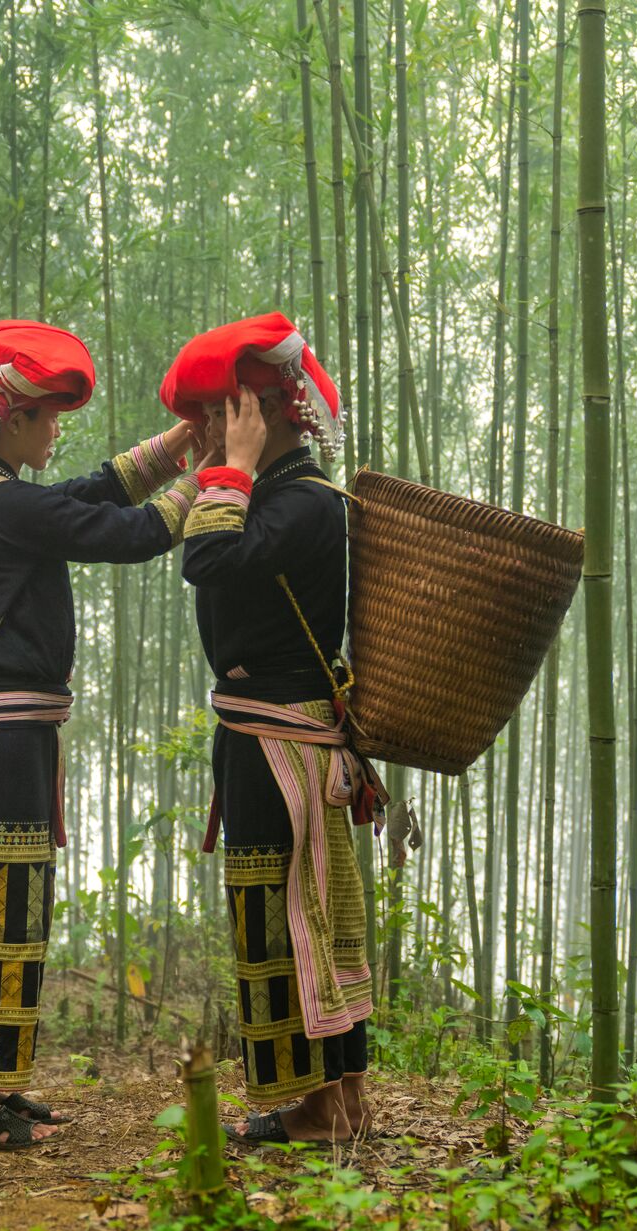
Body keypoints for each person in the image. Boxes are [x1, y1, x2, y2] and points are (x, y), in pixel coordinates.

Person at [0, 319, 200, 1150]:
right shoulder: (1, 505)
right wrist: (224, 474)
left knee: (10, 909)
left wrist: (178, 446)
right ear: (11, 419)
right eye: (47, 416)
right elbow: (135, 531)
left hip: (10, 741)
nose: (56, 428)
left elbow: (88, 492)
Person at [162, 313, 380, 1146]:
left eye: (226, 410)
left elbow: (206, 559)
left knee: (304, 919)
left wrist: (236, 467)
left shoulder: (305, 503)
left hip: (284, 745)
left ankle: (326, 1105)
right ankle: (329, 1098)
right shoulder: (273, 496)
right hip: (258, 740)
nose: (212, 430)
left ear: (272, 409)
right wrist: (230, 467)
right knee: (289, 914)